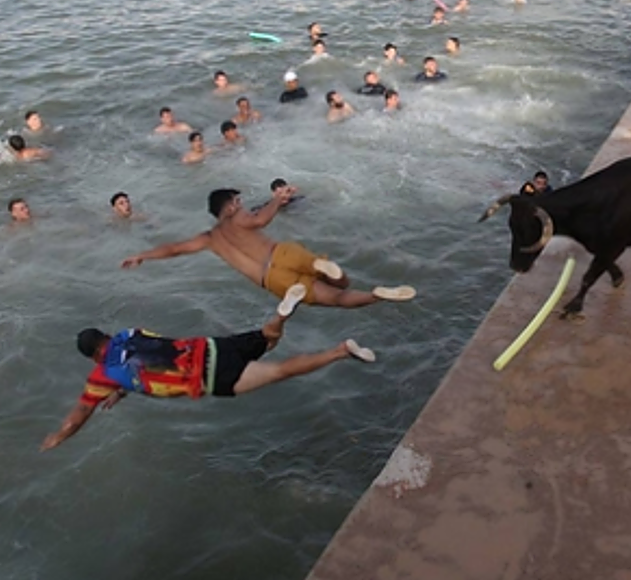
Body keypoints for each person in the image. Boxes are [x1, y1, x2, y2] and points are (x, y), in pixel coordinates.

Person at [40, 298, 377, 451]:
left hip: (212, 376)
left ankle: (340, 351)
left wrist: (59, 436)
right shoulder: (130, 333)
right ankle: (282, 313)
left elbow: (80, 413)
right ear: (105, 336)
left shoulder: (103, 375)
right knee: (269, 339)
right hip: (212, 346)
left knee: (279, 371)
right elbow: (151, 359)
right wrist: (123, 390)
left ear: (92, 357)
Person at [121, 188, 415, 308]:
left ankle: (375, 295)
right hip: (283, 253)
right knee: (343, 281)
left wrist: (141, 256)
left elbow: (174, 248)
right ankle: (343, 277)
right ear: (232, 203)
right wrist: (278, 199)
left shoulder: (209, 238)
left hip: (270, 278)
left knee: (338, 300)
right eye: (239, 200)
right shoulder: (237, 216)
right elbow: (260, 220)